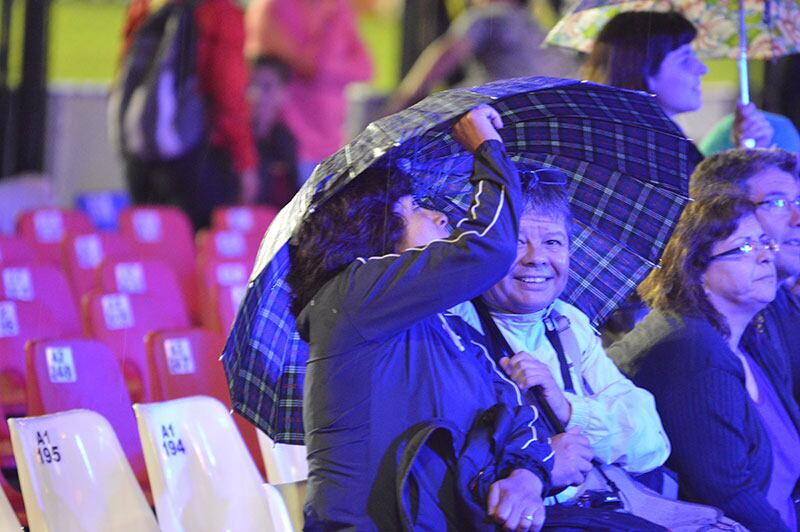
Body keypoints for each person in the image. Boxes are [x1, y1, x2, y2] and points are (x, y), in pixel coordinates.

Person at [287, 105, 558, 530]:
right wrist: (487, 150)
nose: (439, 216)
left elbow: (520, 412)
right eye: (414, 208)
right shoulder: (351, 299)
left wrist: (526, 479)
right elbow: (489, 250)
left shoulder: (448, 326)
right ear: (373, 227)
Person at [453, 179, 671, 501]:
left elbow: (651, 444)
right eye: (517, 240)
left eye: (553, 242)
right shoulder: (454, 328)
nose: (536, 258)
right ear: (482, 246)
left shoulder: (566, 321)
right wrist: (543, 463)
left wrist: (569, 409)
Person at [607, 194, 800, 531]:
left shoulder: (750, 340)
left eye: (764, 242)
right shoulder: (692, 352)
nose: (765, 256)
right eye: (743, 248)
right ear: (694, 269)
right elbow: (728, 496)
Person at [120, 0, 259, 230]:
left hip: (142, 152)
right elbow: (229, 95)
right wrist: (245, 162)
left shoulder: (144, 7)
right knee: (197, 250)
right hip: (198, 157)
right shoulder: (219, 12)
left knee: (149, 246)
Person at [686, 148, 800, 406]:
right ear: (724, 215)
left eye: (799, 201)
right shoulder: (701, 339)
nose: (797, 218)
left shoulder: (782, 303)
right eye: (777, 202)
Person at [582, 11, 788, 153]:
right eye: (684, 58)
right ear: (643, 70)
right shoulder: (641, 152)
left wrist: (745, 150)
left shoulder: (669, 145)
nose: (702, 68)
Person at [245, 0, 372, 184]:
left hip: (331, 143)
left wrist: (327, 69)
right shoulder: (270, 7)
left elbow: (365, 69)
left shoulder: (338, 8)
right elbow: (312, 67)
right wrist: (330, 28)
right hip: (289, 143)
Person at [385, 0, 579, 113]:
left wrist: (401, 102)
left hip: (502, 111)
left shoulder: (487, 16)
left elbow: (446, 54)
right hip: (551, 111)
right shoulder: (538, 27)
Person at [247, 54, 298, 208]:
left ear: (283, 93)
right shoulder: (229, 139)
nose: (255, 95)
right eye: (251, 85)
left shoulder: (285, 140)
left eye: (267, 87)